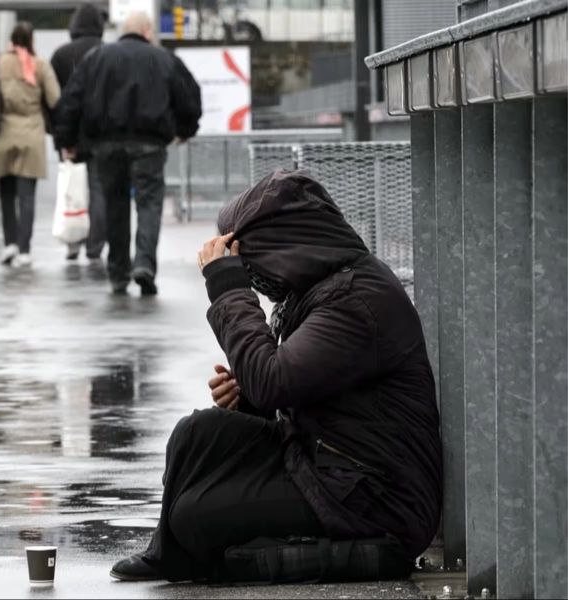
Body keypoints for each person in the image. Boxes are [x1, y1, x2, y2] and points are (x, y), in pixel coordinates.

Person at [109, 170, 443, 582]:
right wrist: (246, 393)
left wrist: (229, 288)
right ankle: (171, 552)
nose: (252, 273)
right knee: (197, 433)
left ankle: (212, 550)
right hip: (328, 464)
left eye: (251, 258)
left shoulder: (357, 300)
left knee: (196, 513)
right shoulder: (319, 288)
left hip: (372, 499)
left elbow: (273, 383)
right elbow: (287, 387)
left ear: (286, 245)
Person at [54, 12, 202, 295]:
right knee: (149, 202)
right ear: (147, 31)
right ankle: (144, 264)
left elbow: (72, 101)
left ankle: (118, 272)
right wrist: (185, 129)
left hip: (106, 145)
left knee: (115, 205)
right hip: (149, 144)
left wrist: (68, 140)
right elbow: (189, 96)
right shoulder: (163, 59)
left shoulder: (96, 58)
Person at [0, 22, 60, 268]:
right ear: (31, 40)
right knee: (27, 196)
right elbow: (55, 99)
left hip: (4, 133)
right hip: (32, 134)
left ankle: (9, 244)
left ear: (11, 41)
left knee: (6, 194)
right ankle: (25, 249)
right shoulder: (41, 65)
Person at [50, 3, 108, 263]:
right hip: (101, 135)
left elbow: (54, 101)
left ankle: (73, 241)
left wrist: (60, 137)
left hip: (70, 135)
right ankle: (95, 246)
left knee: (71, 190)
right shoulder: (106, 53)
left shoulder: (61, 55)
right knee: (98, 191)